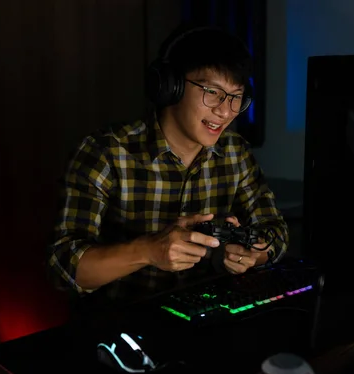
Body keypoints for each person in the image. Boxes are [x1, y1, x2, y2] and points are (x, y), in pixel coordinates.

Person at [46, 24, 289, 299]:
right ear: (169, 86)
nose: (225, 111)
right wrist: (149, 250)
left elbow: (276, 233)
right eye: (212, 92)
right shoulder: (107, 152)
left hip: (207, 320)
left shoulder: (236, 152)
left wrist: (250, 254)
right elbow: (63, 265)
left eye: (235, 97)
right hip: (122, 322)